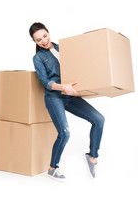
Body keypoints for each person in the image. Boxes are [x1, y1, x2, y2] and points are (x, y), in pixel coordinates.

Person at [29, 22, 105, 181]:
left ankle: (92, 157)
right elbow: (45, 82)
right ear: (34, 42)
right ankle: (52, 168)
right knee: (64, 133)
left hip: (70, 95)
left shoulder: (63, 47)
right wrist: (62, 86)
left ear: (49, 33)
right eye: (38, 40)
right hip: (54, 96)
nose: (43, 41)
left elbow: (80, 63)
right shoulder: (38, 58)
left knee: (99, 119)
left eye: (45, 36)